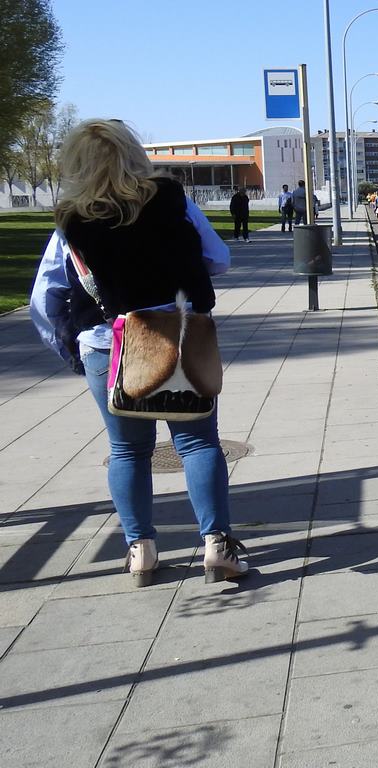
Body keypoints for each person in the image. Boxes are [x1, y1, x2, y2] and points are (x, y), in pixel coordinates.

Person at [29, 118, 248, 587]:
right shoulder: (171, 200)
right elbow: (220, 260)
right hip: (178, 333)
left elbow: (45, 297)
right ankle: (217, 545)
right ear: (134, 154)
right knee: (198, 442)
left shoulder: (71, 217)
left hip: (108, 343)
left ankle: (141, 550)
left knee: (126, 450)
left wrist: (69, 349)